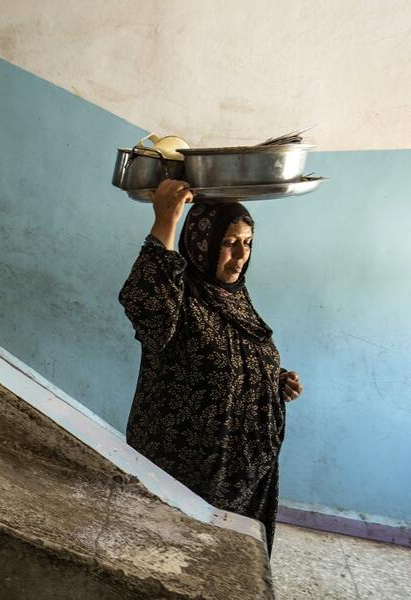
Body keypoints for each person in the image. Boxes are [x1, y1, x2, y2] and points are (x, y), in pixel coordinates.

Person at [118, 179, 303, 554]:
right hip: (188, 476)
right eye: (228, 242)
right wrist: (166, 221)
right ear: (202, 243)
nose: (241, 254)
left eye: (247, 242)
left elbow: (226, 353)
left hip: (246, 481)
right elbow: (146, 304)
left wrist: (272, 380)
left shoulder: (234, 296)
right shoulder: (178, 296)